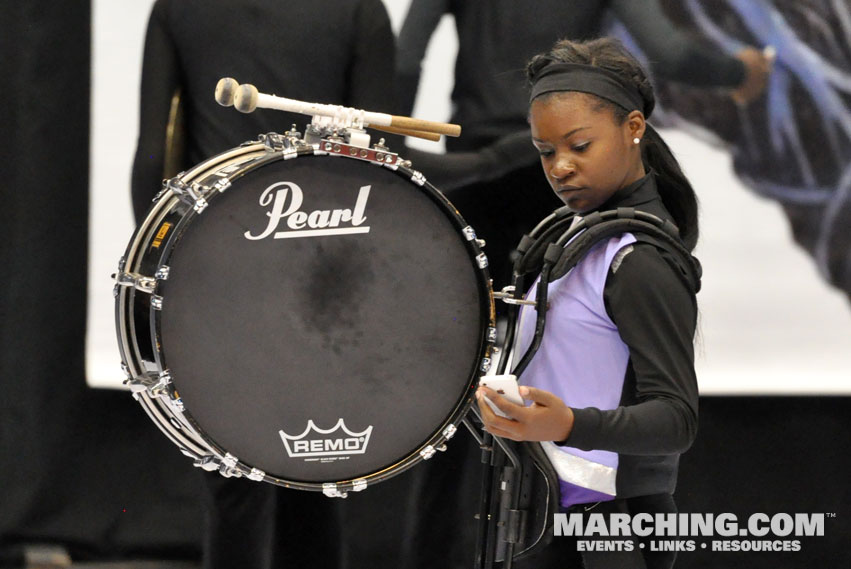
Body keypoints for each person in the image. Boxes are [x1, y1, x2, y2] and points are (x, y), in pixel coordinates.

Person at [131, 2, 396, 568]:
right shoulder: (359, 11)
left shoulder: (178, 8)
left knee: (229, 468)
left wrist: (157, 276)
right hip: (324, 264)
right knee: (317, 461)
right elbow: (376, 158)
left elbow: (153, 156)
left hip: (215, 260)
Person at [476, 37, 701, 569]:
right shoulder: (579, 238)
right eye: (547, 152)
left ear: (633, 129)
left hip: (611, 525)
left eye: (580, 146)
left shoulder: (639, 260)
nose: (560, 168)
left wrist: (568, 424)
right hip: (548, 508)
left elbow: (676, 419)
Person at [396, 0, 770, 290]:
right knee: (567, 317)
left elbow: (407, 57)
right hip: (570, 154)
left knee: (475, 316)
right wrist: (739, 73)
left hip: (474, 158)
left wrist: (393, 149)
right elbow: (668, 52)